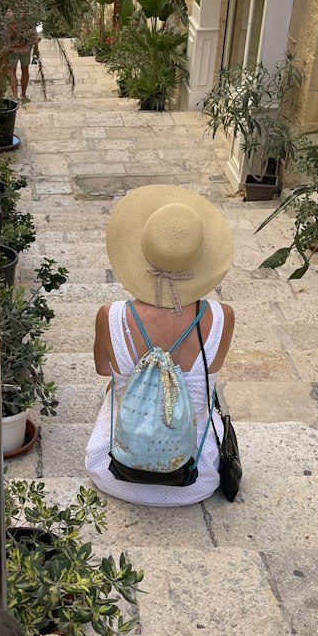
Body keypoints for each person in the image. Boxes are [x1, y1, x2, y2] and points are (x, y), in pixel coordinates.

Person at [85, 185, 236, 506]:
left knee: (117, 388)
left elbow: (101, 370)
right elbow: (211, 380)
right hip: (195, 480)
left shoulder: (110, 316)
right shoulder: (222, 318)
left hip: (113, 473)